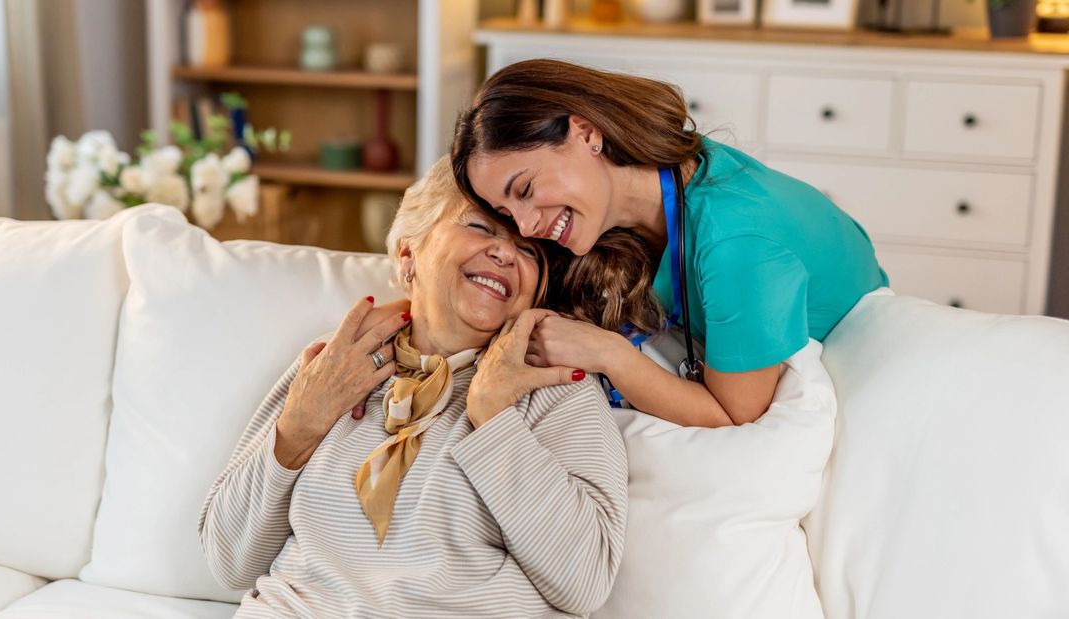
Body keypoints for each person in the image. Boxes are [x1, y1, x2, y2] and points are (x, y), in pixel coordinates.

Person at [198, 157, 628, 618]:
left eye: (530, 251)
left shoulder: (555, 387)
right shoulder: (338, 363)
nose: (505, 253)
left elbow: (584, 582)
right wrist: (301, 423)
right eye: (482, 227)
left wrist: (494, 418)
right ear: (409, 256)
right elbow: (228, 560)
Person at [450, 58, 888, 428]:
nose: (525, 228)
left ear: (586, 134)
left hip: (859, 381)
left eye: (525, 190)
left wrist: (609, 354)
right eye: (506, 213)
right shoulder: (657, 183)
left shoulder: (735, 242)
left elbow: (733, 413)